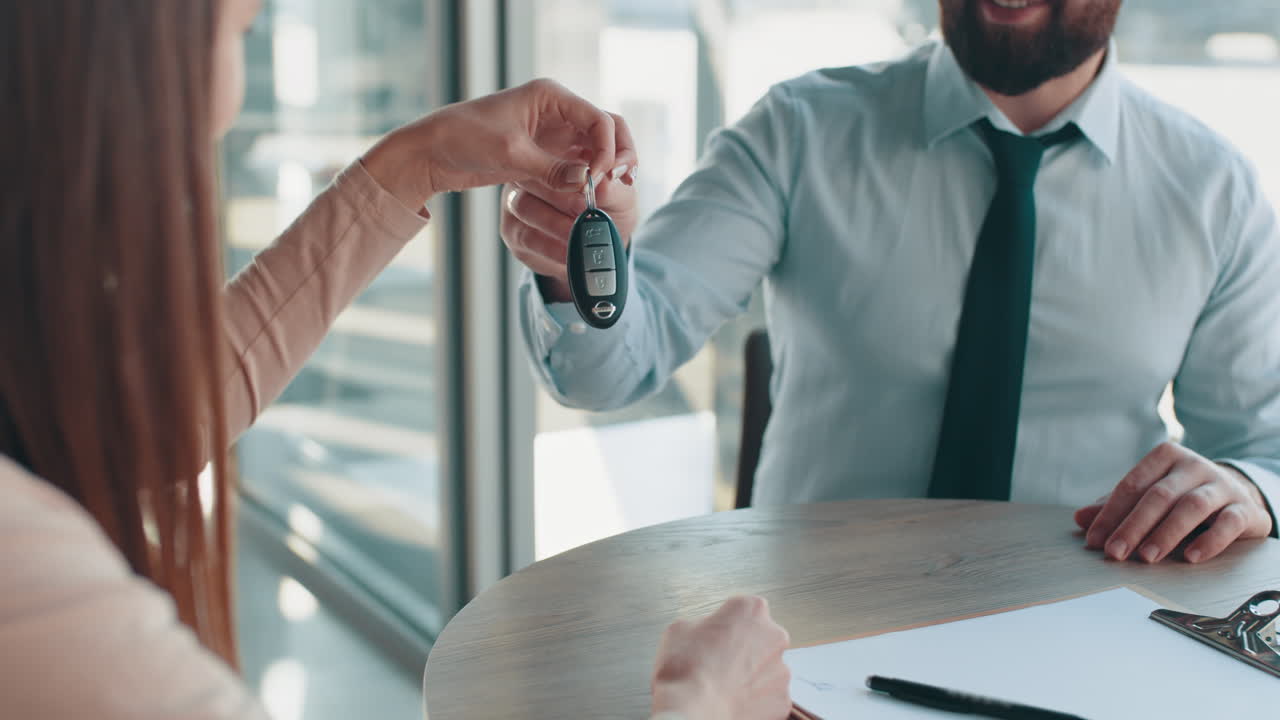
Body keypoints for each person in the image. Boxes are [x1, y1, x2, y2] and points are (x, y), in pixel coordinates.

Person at [0, 1, 792, 719]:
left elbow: (157, 419)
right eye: (239, 25)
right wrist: (703, 705)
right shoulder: (36, 580)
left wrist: (423, 159)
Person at [503, 0, 1280, 566]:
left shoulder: (1214, 190)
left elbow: (1259, 449)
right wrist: (573, 267)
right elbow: (604, 372)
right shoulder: (796, 131)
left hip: (1095, 623)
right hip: (810, 622)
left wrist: (1246, 488)